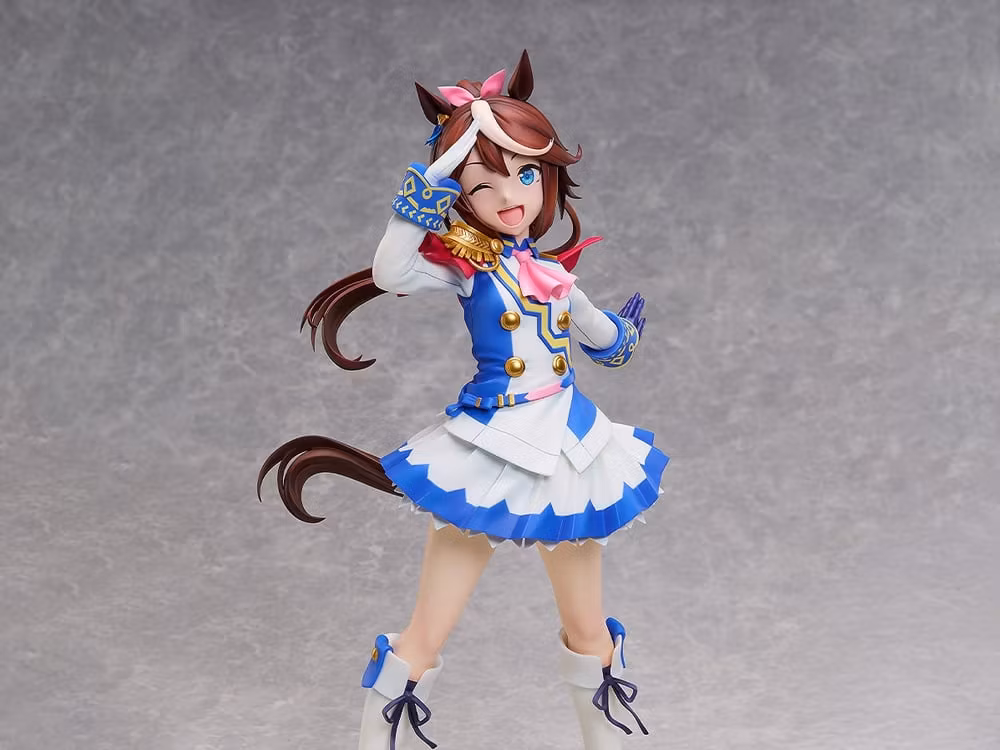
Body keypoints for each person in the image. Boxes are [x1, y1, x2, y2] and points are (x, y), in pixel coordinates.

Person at [258, 50, 669, 750]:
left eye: (526, 174)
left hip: (570, 448)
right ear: (461, 196)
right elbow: (391, 270)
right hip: (493, 446)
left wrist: (623, 334)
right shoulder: (468, 268)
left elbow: (604, 339)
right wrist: (431, 180)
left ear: (548, 175)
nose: (512, 197)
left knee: (589, 630)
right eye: (485, 184)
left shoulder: (555, 277)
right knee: (427, 629)